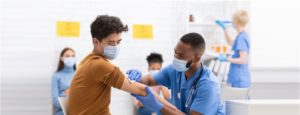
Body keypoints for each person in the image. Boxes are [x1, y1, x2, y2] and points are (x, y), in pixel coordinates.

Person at [67, 15, 178, 115]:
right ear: (96, 42)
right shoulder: (99, 65)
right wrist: (177, 112)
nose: (115, 47)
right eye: (111, 43)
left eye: (118, 42)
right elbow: (143, 90)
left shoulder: (87, 61)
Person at [128, 33, 225, 115]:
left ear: (197, 58)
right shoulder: (174, 70)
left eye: (181, 55)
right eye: (175, 53)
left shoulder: (208, 84)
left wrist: (158, 107)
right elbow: (149, 80)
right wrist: (139, 77)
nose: (176, 58)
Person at [215, 10, 251, 88]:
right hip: (238, 78)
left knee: (237, 100)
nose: (232, 22)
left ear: (237, 21)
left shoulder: (242, 38)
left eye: (233, 20)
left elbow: (243, 60)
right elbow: (230, 42)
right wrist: (224, 29)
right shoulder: (241, 36)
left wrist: (226, 59)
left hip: (240, 79)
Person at [51, 47, 76, 115]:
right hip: (61, 112)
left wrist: (70, 92)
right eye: (67, 56)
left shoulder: (79, 74)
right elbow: (55, 99)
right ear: (61, 58)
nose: (70, 58)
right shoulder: (56, 75)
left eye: (73, 56)